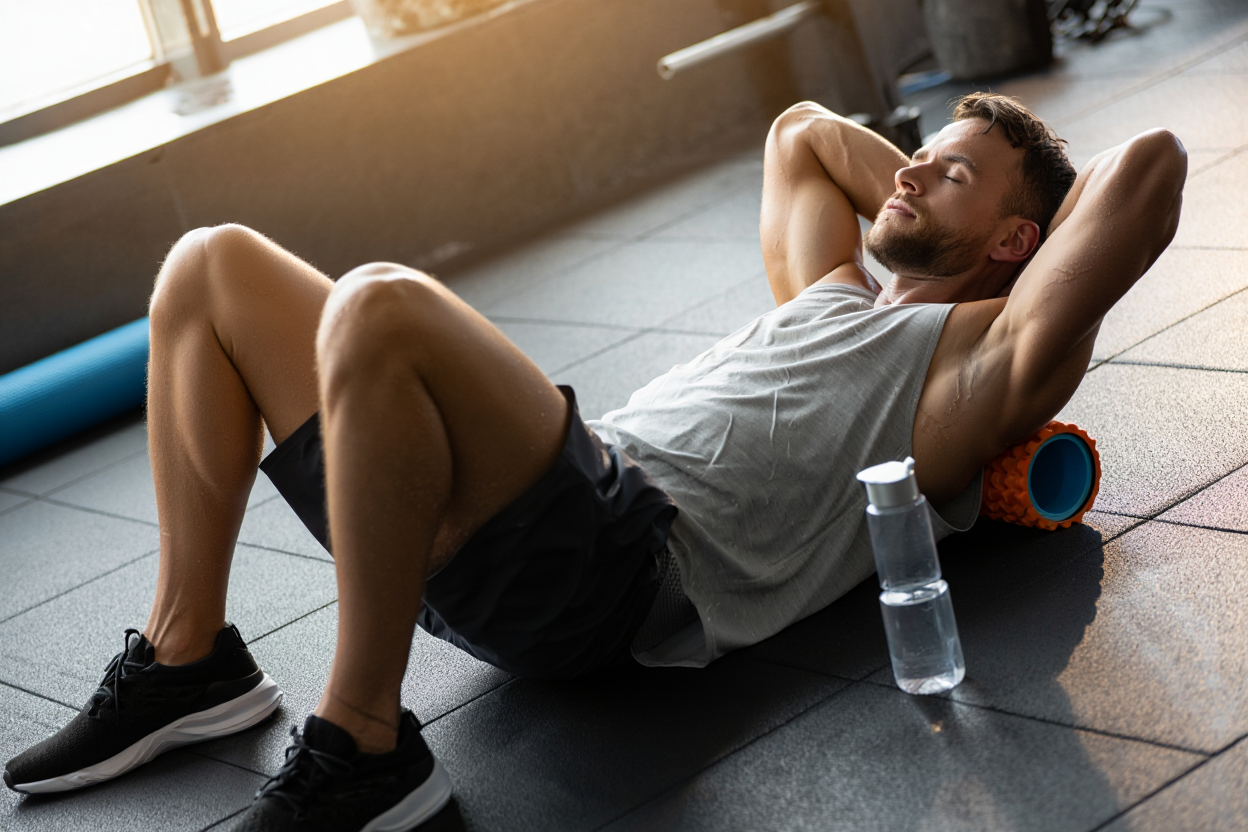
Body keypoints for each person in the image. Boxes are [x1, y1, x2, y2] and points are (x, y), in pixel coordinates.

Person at [3, 93, 1185, 831]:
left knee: (380, 303)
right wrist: (936, 186)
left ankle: (364, 742)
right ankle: (190, 657)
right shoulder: (831, 289)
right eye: (917, 153)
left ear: (1019, 245)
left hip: (621, 564)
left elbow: (1150, 166)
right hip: (536, 512)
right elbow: (802, 135)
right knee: (209, 263)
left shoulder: (971, 369)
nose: (912, 169)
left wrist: (987, 227)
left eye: (951, 175)